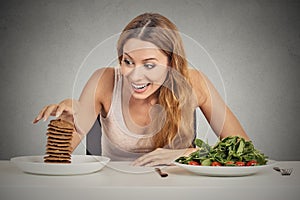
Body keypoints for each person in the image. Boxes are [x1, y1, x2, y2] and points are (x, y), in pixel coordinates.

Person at [33, 13, 249, 166]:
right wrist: (68, 120)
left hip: (178, 189)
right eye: (128, 62)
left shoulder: (194, 82)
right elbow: (60, 157)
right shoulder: (103, 80)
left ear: (171, 64)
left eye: (149, 65)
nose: (135, 76)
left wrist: (185, 154)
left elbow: (244, 148)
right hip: (112, 189)